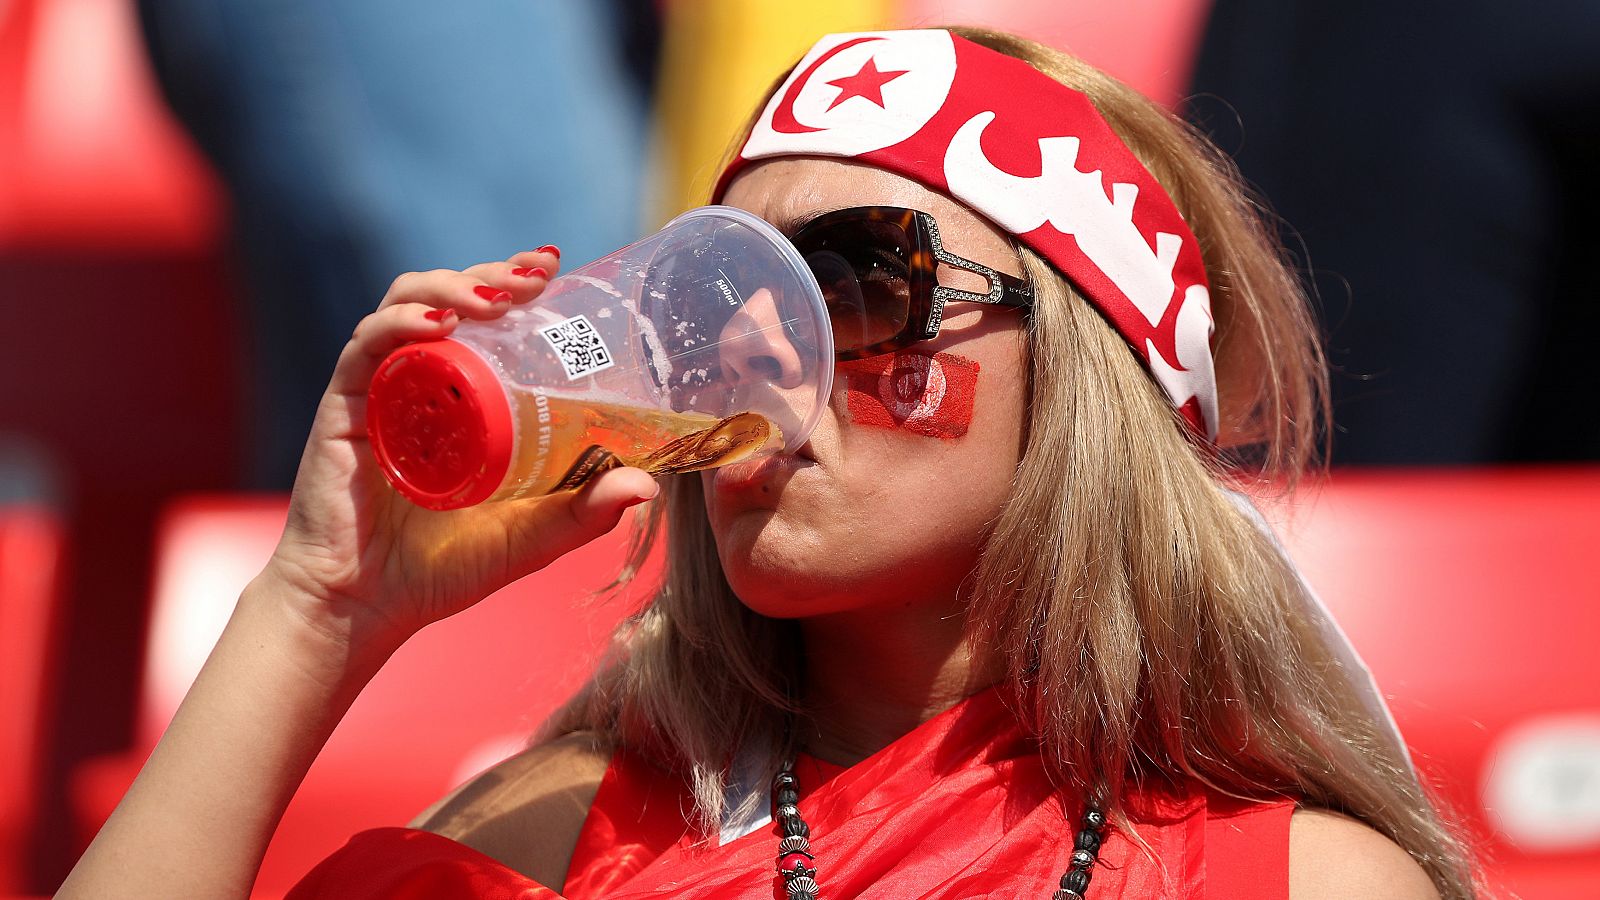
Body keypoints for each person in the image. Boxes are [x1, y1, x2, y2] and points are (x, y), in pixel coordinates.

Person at [58, 27, 1477, 900]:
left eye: (858, 285)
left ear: (1093, 382)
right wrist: (316, 608)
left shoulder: (1300, 884)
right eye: (713, 291)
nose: (757, 350)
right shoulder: (555, 842)